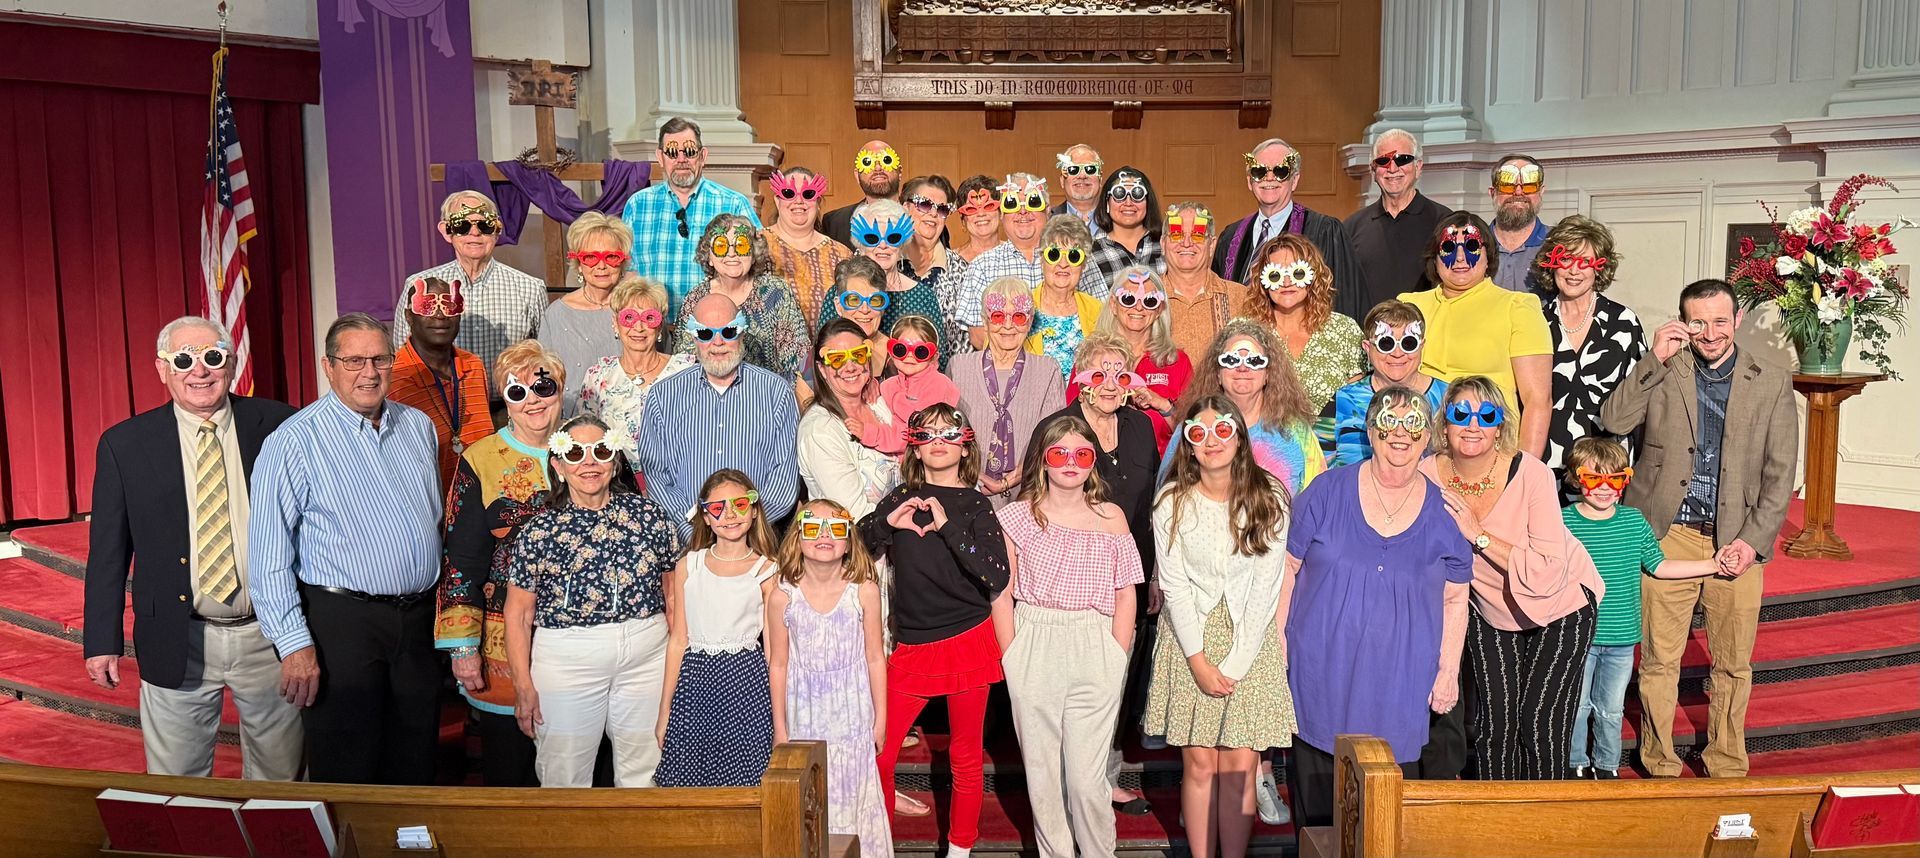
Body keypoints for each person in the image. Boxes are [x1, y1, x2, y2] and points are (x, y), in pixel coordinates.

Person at [84, 316, 301, 780]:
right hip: (177, 637)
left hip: (269, 635)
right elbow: (107, 552)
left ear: (232, 362)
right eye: (183, 360)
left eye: (212, 357)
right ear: (162, 369)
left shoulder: (279, 424)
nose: (198, 371)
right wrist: (101, 641)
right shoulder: (124, 444)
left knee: (282, 778)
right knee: (177, 782)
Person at [1598, 278, 1797, 779]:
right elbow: (1614, 420)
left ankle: (1727, 762)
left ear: (1737, 322)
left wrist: (1752, 543)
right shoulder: (1665, 368)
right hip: (1669, 533)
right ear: (1684, 321)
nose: (1709, 333)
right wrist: (1654, 358)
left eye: (1720, 322)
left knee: (1732, 664)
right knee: (1660, 661)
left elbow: (1779, 475)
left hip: (1737, 535)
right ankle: (1659, 761)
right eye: (1698, 322)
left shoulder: (1771, 378)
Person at [248, 313, 442, 785]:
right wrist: (294, 644)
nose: (369, 372)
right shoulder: (293, 441)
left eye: (379, 359)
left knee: (416, 762)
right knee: (348, 766)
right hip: (341, 626)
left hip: (417, 624)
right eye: (354, 360)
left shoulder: (417, 427)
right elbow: (268, 558)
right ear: (328, 366)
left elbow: (432, 518)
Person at [1279, 386, 1471, 826]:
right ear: (1370, 429)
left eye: (1413, 424)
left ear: (1429, 436)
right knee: (1320, 822)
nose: (1399, 434)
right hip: (1320, 676)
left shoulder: (1447, 512)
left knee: (1384, 823)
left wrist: (1447, 671)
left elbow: (1456, 597)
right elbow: (1287, 570)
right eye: (1389, 422)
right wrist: (1278, 645)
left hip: (1402, 686)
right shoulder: (1325, 492)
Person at [1417, 376, 1604, 781]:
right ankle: (1495, 829)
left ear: (1499, 427)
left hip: (1561, 603)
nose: (1473, 424)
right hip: (1489, 609)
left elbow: (1548, 569)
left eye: (1487, 415)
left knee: (1540, 723)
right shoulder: (1427, 474)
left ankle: (1544, 831)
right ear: (1443, 424)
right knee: (1494, 728)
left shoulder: (1531, 472)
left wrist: (1477, 534)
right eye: (1460, 413)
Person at [1144, 394, 1295, 851]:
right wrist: (1198, 660)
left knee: (1238, 769)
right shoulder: (1170, 502)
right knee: (1201, 766)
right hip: (1191, 640)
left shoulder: (1270, 498)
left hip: (1249, 641)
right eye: (1198, 433)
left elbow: (1266, 588)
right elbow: (1174, 586)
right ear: (1187, 444)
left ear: (1239, 438)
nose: (1211, 442)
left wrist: (1236, 661)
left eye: (1222, 430)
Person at [862, 404, 1012, 858]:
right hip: (911, 644)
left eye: (950, 432)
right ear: (914, 445)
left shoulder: (976, 504)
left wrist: (950, 531)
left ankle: (960, 849)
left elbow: (996, 576)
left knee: (966, 758)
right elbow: (857, 546)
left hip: (968, 639)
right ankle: (880, 845)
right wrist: (885, 524)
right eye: (928, 434)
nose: (940, 441)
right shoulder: (900, 496)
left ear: (965, 442)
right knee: (882, 755)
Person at [504, 414, 680, 787]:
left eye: (600, 451)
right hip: (567, 661)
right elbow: (518, 613)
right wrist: (522, 685)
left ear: (615, 461)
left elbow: (672, 593)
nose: (589, 462)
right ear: (558, 464)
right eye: (576, 453)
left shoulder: (649, 516)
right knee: (564, 775)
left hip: (647, 656)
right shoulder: (538, 531)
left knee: (647, 770)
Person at [997, 415, 1145, 858]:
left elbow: (1126, 592)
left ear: (1092, 461)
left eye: (1081, 454)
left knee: (1087, 779)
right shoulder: (1016, 516)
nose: (1070, 463)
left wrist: (1116, 654)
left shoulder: (1111, 516)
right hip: (1035, 637)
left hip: (1093, 639)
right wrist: (1013, 656)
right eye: (1058, 453)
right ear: (1042, 459)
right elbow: (1001, 593)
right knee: (1042, 777)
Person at [438, 341, 566, 785]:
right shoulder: (481, 458)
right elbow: (461, 558)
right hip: (500, 647)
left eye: (542, 385)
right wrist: (462, 647)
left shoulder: (591, 447)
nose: (532, 399)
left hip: (580, 648)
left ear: (560, 387)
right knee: (512, 776)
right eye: (517, 392)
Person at [1559, 438, 1718, 779]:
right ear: (1574, 478)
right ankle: (1574, 764)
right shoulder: (1563, 523)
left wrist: (1713, 565)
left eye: (1614, 480)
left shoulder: (1633, 522)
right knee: (1576, 707)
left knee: (1611, 710)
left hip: (1621, 638)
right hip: (1578, 637)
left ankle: (1606, 765)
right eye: (1593, 478)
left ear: (1625, 481)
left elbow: (1659, 566)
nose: (1604, 488)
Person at [768, 499, 892, 858]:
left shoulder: (864, 591)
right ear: (797, 537)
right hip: (805, 716)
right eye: (813, 527)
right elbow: (778, 663)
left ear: (849, 538)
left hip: (852, 716)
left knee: (854, 797)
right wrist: (780, 727)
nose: (824, 536)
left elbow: (874, 656)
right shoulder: (782, 597)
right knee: (811, 804)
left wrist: (880, 719)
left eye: (836, 528)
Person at [655, 469, 780, 787]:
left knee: (744, 779)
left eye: (739, 504)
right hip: (695, 685)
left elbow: (774, 654)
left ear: (754, 511)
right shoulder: (689, 565)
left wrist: (778, 717)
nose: (729, 515)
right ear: (705, 517)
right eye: (717, 508)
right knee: (692, 780)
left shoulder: (767, 570)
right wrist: (664, 711)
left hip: (746, 685)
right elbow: (678, 640)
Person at [640, 293, 800, 540]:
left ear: (742, 333)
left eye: (728, 332)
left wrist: (746, 528)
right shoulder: (663, 396)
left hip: (757, 542)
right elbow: (657, 476)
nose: (717, 343)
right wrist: (693, 532)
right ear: (694, 337)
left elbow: (783, 478)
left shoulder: (775, 392)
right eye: (706, 334)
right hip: (688, 541)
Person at [1399, 211, 1553, 458]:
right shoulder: (1408, 306)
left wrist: (1525, 473)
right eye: (1449, 248)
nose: (1460, 258)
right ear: (1435, 257)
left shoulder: (1517, 307)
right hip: (1415, 450)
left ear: (1488, 255)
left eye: (1471, 246)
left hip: (1489, 450)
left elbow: (1538, 400)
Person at [1533, 215, 1645, 500]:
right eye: (1565, 259)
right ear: (1551, 263)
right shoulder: (1534, 321)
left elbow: (1641, 399)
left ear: (1600, 268)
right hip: (1549, 469)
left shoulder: (1624, 322)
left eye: (1585, 262)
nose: (1574, 271)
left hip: (1607, 475)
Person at [394, 190, 545, 387]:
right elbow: (401, 353)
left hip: (509, 409)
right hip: (436, 407)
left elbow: (544, 358)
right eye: (462, 226)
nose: (474, 233)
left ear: (497, 230)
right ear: (446, 231)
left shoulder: (531, 288)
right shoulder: (418, 285)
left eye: (484, 225)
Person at [622, 117, 761, 315]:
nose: (681, 160)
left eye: (689, 151)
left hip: (715, 330)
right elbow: (627, 271)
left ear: (702, 156)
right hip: (653, 326)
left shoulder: (733, 204)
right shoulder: (637, 205)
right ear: (660, 157)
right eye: (671, 153)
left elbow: (758, 264)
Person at [1211, 138, 1362, 319]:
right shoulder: (1230, 236)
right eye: (1259, 171)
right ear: (1250, 182)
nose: (1269, 178)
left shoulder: (1325, 231)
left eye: (1281, 171)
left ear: (1295, 180)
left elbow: (1344, 303)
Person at [951, 279, 1066, 508]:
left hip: (1030, 498)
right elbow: (949, 434)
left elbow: (1052, 438)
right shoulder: (958, 367)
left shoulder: (1048, 369)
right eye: (997, 316)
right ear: (985, 320)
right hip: (965, 495)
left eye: (1019, 317)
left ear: (1030, 321)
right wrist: (971, 477)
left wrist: (1008, 482)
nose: (1008, 326)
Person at [959, 174, 1110, 348]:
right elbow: (978, 336)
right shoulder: (981, 266)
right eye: (1012, 204)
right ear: (1001, 214)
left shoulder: (1078, 258)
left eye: (1033, 201)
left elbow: (1103, 320)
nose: (1023, 211)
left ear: (1048, 210)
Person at [1177, 320, 1325, 495]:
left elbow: (1321, 498)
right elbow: (1170, 497)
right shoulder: (1194, 429)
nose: (1242, 367)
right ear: (1217, 373)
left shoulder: (1297, 432)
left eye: (1254, 361)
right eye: (1231, 360)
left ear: (1268, 374)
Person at [1241, 234, 1364, 442]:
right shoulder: (1244, 332)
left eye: (1297, 273)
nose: (1287, 282)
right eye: (1276, 275)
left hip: (1331, 455)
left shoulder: (1344, 330)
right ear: (1262, 280)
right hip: (1262, 451)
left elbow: (1358, 404)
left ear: (1313, 277)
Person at [579, 276, 697, 468]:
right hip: (617, 483)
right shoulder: (598, 375)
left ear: (660, 326)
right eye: (629, 318)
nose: (639, 327)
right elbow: (586, 435)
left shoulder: (686, 370)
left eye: (649, 318)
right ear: (615, 324)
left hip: (677, 481)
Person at [388, 276, 492, 494]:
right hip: (426, 510)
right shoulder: (393, 377)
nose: (439, 314)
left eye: (449, 305)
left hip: (481, 506)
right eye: (426, 306)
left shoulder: (474, 367)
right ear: (409, 316)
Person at [674, 213, 808, 381]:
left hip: (768, 395)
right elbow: (683, 362)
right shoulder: (695, 299)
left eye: (741, 246)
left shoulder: (776, 292)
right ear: (709, 257)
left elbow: (798, 358)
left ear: (753, 255)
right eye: (722, 246)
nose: (732, 254)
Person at [799, 319, 903, 520]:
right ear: (822, 370)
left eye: (858, 355)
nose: (850, 367)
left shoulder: (881, 403)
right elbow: (854, 514)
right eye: (837, 359)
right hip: (860, 544)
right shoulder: (820, 429)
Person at [1342, 129, 1452, 308]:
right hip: (1368, 333)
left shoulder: (1444, 222)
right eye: (1383, 161)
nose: (1393, 169)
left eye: (1403, 160)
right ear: (1373, 169)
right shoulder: (1351, 227)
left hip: (1426, 333)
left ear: (1418, 167)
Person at [1331, 300, 1447, 467]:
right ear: (1367, 347)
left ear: (1422, 346)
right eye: (1386, 343)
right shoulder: (1344, 400)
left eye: (1408, 343)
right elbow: (1320, 464)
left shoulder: (1448, 397)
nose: (1397, 353)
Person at [1089, 265, 1192, 453]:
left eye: (1149, 301)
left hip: (1161, 473)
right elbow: (1072, 421)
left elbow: (1193, 429)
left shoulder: (1177, 361)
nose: (1138, 307)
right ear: (1113, 304)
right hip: (1100, 471)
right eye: (1128, 299)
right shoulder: (1091, 357)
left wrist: (1162, 404)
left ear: (1159, 309)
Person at [849, 198, 954, 369]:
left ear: (903, 242)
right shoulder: (841, 292)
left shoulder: (923, 296)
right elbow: (824, 350)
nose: (883, 245)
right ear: (860, 243)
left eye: (893, 237)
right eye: (872, 237)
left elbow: (938, 361)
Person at [544, 212, 632, 414]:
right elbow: (545, 377)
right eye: (591, 257)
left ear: (623, 261)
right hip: (572, 423)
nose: (601, 266)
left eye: (611, 257)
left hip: (630, 418)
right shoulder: (556, 314)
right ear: (578, 263)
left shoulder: (638, 309)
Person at [762, 166, 854, 327]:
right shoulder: (755, 245)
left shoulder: (841, 254)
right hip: (769, 350)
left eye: (808, 194)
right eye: (789, 194)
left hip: (829, 349)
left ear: (818, 202)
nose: (798, 201)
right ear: (777, 201)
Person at [1162, 202, 1248, 362]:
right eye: (1176, 234)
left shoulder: (1241, 298)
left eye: (1198, 235)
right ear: (1162, 244)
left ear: (1212, 245)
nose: (1187, 243)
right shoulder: (1145, 299)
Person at [901, 175, 973, 358]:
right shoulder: (884, 261)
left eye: (942, 209)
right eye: (924, 205)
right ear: (905, 208)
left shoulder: (962, 271)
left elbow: (964, 344)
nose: (933, 214)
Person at [1029, 215, 1106, 379]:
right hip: (1030, 400)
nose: (1063, 264)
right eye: (1054, 254)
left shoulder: (1098, 310)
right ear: (1042, 259)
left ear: (1084, 264)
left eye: (1073, 256)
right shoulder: (1021, 307)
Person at [1087, 167, 1164, 287]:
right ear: (1107, 202)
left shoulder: (1165, 244)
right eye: (1119, 194)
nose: (1128, 203)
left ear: (1148, 202)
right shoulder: (1090, 251)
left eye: (1137, 194)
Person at [821, 139, 905, 249]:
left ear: (899, 172)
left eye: (886, 160)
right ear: (857, 175)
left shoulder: (918, 218)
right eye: (867, 162)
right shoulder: (834, 222)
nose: (878, 168)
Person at [1487, 155, 1549, 294]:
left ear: (1541, 192)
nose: (1518, 192)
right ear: (1492, 193)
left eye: (1529, 186)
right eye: (1508, 186)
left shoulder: (1558, 244)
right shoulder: (1474, 245)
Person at [1050, 144, 1106, 239]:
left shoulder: (1118, 220)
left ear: (1100, 180)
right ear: (1062, 181)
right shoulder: (1046, 220)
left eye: (1090, 169)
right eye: (1073, 170)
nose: (1082, 176)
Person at [953, 174, 1004, 264]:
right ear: (963, 219)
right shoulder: (950, 263)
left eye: (988, 206)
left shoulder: (1017, 256)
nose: (981, 214)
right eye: (971, 209)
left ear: (1001, 212)